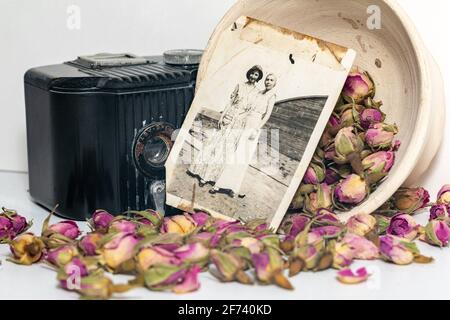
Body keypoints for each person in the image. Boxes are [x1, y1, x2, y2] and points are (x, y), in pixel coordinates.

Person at [187, 65, 264, 187]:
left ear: (258, 77)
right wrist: (222, 117)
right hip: (229, 116)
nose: (253, 76)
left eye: (256, 75)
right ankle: (200, 174)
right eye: (252, 73)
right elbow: (230, 102)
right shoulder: (240, 85)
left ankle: (212, 177)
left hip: (240, 122)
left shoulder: (257, 93)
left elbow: (252, 111)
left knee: (226, 150)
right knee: (215, 145)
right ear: (248, 73)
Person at [210, 73, 278, 198]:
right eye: (267, 79)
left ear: (275, 83)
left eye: (271, 80)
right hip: (244, 122)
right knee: (233, 153)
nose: (268, 82)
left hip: (254, 126)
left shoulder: (272, 96)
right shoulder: (259, 92)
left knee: (242, 157)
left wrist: (256, 129)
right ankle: (221, 183)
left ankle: (232, 188)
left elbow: (267, 115)